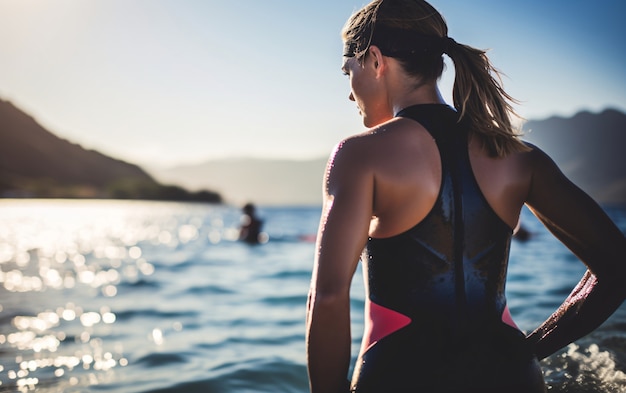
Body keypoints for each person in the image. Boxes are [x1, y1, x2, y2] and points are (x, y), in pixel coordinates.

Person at [305, 1, 626, 392]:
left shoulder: (361, 155)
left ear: (374, 60)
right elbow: (618, 267)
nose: (349, 94)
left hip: (399, 377)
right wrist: (529, 351)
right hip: (513, 378)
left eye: (347, 71)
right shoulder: (518, 156)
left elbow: (329, 296)